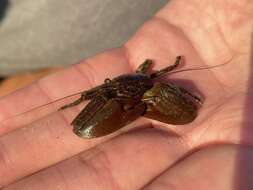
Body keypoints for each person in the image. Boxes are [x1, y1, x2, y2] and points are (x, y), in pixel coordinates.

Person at [0, 0, 252, 189]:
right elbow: (102, 95)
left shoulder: (153, 84)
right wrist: (78, 103)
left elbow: (164, 79)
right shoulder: (112, 88)